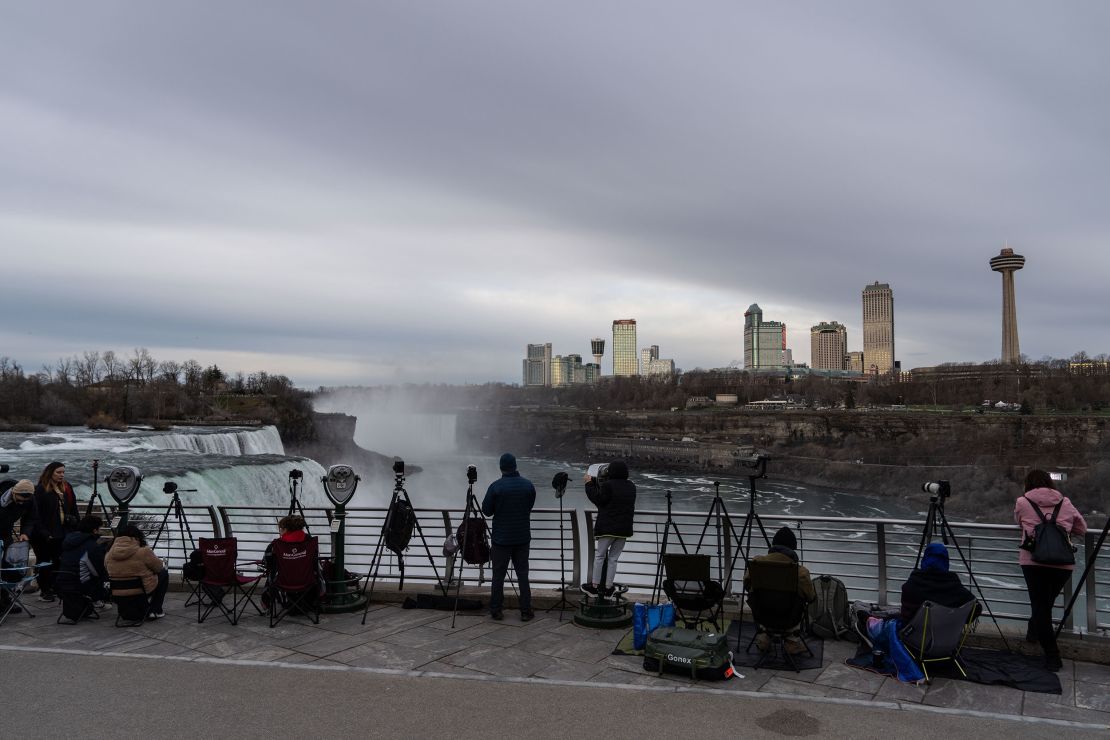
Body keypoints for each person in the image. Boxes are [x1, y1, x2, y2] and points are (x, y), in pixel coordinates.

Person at [1015, 469, 1087, 672]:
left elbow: (1019, 522)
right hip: (1062, 564)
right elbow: (1082, 528)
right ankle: (1032, 632)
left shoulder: (1022, 502)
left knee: (1040, 606)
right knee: (1044, 604)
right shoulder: (1065, 502)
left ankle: (1052, 656)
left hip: (1033, 562)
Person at [744, 526, 816, 654]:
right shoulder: (800, 572)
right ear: (793, 548)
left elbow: (746, 585)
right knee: (799, 602)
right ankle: (791, 642)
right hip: (789, 619)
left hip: (762, 615)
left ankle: (764, 639)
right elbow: (811, 598)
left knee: (761, 598)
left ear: (774, 544)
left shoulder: (757, 563)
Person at [481, 452, 536, 622]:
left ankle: (496, 610)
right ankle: (526, 611)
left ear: (501, 468)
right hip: (522, 538)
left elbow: (487, 511)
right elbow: (529, 506)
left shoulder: (496, 487)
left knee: (498, 576)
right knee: (522, 575)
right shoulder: (528, 486)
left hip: (501, 540)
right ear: (515, 466)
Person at [582, 460, 636, 596]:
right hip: (624, 529)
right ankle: (608, 587)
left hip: (608, 528)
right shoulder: (631, 486)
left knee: (600, 556)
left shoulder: (608, 485)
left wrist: (589, 484)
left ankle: (594, 586)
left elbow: (598, 499)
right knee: (613, 559)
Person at [27, 462, 79, 602]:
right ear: (50, 472)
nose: (61, 475)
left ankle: (55, 587)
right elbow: (35, 515)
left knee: (57, 560)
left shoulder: (67, 487)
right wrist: (44, 532)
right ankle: (45, 590)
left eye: (63, 472)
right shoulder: (41, 489)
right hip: (42, 534)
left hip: (61, 531)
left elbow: (73, 509)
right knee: (44, 561)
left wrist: (76, 528)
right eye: (58, 472)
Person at [899, 542, 976, 623]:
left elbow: (905, 615)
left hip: (916, 634)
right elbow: (976, 607)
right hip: (946, 633)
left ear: (925, 559)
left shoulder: (912, 585)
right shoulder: (955, 587)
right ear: (946, 561)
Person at [105, 524, 169, 620]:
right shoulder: (143, 551)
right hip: (140, 591)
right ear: (137, 536)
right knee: (163, 574)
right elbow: (159, 567)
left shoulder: (109, 553)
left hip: (116, 592)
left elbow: (107, 570)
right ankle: (155, 610)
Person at [59, 515, 111, 605]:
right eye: (100, 528)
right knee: (105, 575)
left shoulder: (69, 540)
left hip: (63, 582)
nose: (101, 531)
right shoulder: (92, 546)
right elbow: (99, 570)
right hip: (81, 585)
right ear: (95, 530)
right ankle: (97, 600)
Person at [0, 479, 35, 548]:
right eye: (19, 500)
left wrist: (25, 533)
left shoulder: (30, 499)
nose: (21, 503)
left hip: (6, 534)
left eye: (25, 501)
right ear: (13, 493)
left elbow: (30, 517)